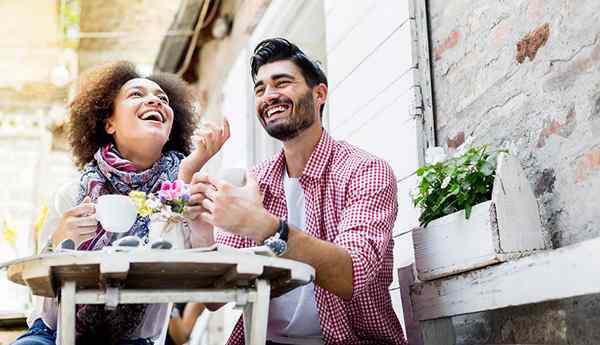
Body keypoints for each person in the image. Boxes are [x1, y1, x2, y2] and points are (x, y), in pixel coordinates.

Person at [186, 38, 407, 344]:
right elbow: (214, 300)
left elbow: (352, 274)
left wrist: (263, 226)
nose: (269, 95)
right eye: (260, 88)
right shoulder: (256, 182)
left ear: (319, 94)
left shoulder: (364, 171)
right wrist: (201, 231)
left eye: (282, 82)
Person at [12, 61, 228, 345]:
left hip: (135, 340)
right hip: (54, 334)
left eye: (163, 98)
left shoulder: (184, 191)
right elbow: (39, 287)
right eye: (136, 94)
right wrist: (59, 243)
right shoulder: (74, 193)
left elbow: (213, 299)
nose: (154, 100)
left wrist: (193, 201)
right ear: (109, 123)